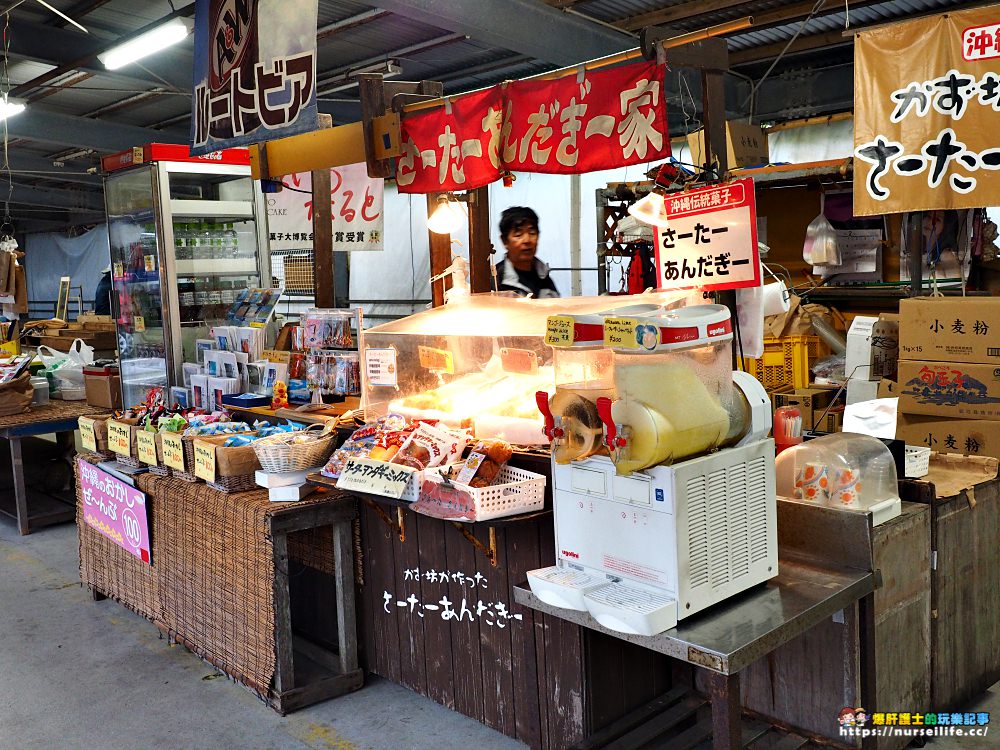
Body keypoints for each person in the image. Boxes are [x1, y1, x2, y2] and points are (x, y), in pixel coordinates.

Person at [493, 206, 559, 298]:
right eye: (518, 235)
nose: (527, 240)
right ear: (504, 241)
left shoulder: (544, 277)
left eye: (532, 233)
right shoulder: (496, 281)